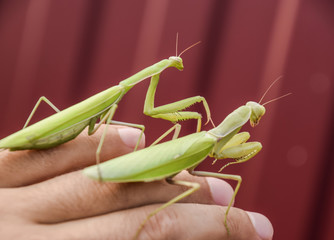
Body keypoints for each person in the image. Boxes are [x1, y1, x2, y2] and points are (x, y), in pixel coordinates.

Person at [0, 125, 273, 240]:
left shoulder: (207, 136)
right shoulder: (208, 138)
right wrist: (154, 220)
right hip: (147, 167)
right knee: (229, 180)